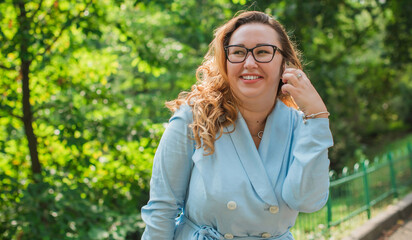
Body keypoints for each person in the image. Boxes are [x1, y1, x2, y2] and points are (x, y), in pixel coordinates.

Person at [141, 11, 333, 240]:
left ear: (284, 62)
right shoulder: (194, 118)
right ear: (225, 61)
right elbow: (162, 210)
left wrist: (317, 117)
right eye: (238, 53)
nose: (249, 63)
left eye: (263, 52)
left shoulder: (300, 125)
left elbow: (308, 200)